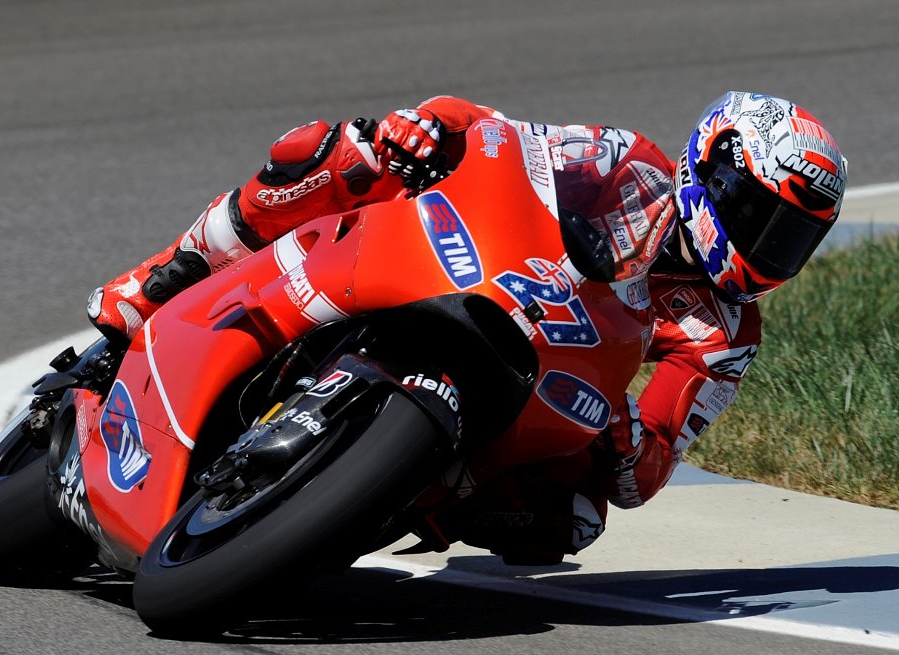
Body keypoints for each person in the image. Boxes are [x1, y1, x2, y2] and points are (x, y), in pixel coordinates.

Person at [86, 92, 847, 559]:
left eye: (791, 236)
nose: (766, 245)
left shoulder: (728, 332)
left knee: (573, 520)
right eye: (760, 215)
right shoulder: (628, 163)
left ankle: (368, 504)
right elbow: (502, 136)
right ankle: (166, 277)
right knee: (338, 152)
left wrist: (623, 441)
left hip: (551, 369)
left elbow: (645, 473)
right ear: (711, 165)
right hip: (478, 270)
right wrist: (429, 129)